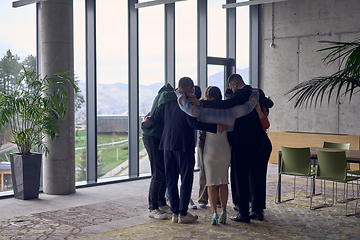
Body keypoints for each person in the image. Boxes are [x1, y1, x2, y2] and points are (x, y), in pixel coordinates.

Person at [141, 77, 226, 224]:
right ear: (189, 88)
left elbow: (154, 120)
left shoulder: (166, 102)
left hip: (167, 146)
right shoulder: (186, 103)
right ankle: (183, 213)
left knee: (171, 180)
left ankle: (175, 213)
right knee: (186, 180)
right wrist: (216, 128)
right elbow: (193, 123)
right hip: (184, 146)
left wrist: (144, 123)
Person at [176, 84, 259, 225]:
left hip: (210, 150)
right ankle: (224, 211)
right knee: (223, 182)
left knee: (211, 183)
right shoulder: (231, 111)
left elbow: (186, 107)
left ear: (208, 97)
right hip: (224, 149)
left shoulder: (203, 111)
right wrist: (255, 93)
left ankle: (214, 213)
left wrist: (179, 94)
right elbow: (249, 106)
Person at [142, 83, 176, 219]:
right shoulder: (165, 94)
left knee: (163, 172)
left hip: (157, 137)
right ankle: (152, 207)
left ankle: (161, 203)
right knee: (158, 173)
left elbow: (152, 114)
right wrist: (182, 93)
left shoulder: (164, 98)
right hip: (151, 137)